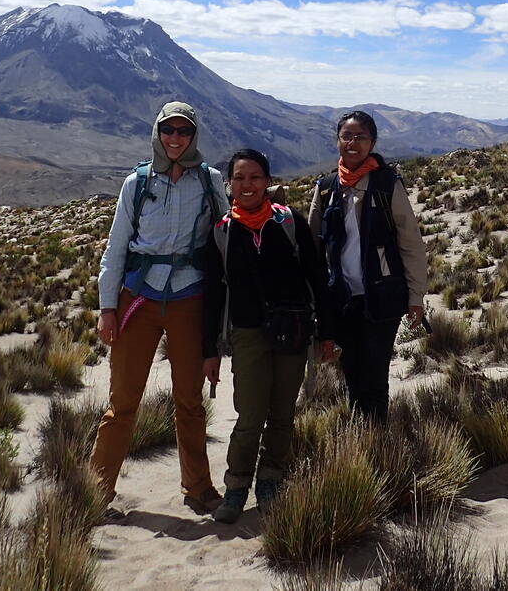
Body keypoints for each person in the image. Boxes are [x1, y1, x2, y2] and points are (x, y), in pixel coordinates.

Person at [90, 101, 227, 515]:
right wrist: (107, 307)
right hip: (139, 300)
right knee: (123, 400)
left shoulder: (209, 181)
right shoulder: (137, 182)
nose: (175, 139)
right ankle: (96, 492)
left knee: (189, 400)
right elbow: (116, 247)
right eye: (168, 131)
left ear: (194, 136)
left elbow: (225, 240)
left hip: (190, 300)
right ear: (158, 132)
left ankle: (199, 487)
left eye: (183, 132)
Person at [201, 148, 336, 523]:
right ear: (229, 184)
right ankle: (236, 487)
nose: (247, 185)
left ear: (268, 181)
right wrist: (208, 351)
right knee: (249, 415)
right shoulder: (221, 233)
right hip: (247, 335)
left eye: (255, 177)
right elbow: (213, 296)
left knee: (282, 414)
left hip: (293, 332)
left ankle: (270, 480)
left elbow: (316, 278)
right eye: (240, 178)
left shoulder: (290, 222)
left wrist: (326, 332)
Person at [307, 111, 426, 422]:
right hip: (341, 300)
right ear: (337, 141)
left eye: (360, 137)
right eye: (346, 136)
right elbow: (312, 248)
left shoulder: (388, 185)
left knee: (374, 375)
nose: (353, 142)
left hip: (381, 297)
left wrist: (416, 296)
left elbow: (410, 243)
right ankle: (363, 434)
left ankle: (375, 441)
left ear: (372, 142)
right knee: (352, 374)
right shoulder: (326, 187)